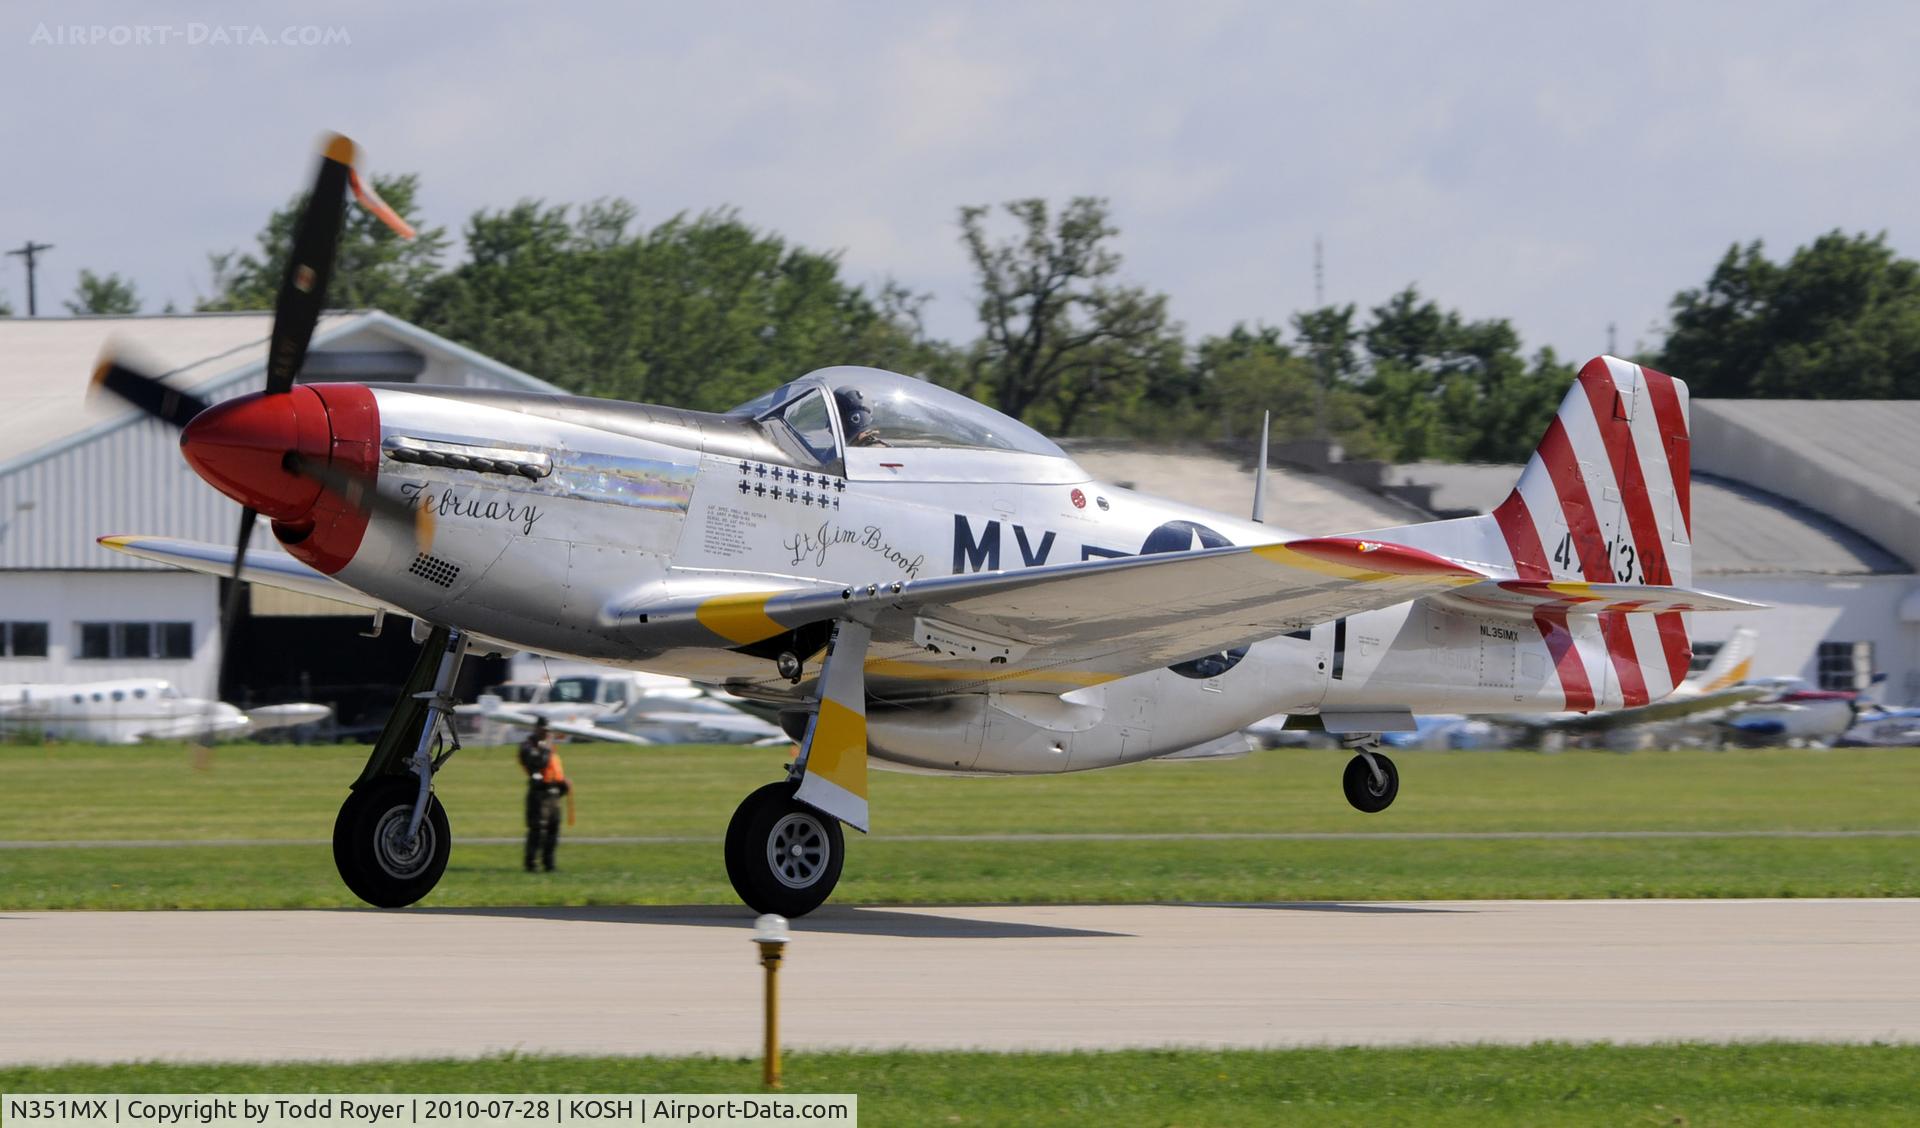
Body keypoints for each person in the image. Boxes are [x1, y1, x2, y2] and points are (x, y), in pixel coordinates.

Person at [517, 719, 571, 873]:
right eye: (543, 729)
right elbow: (538, 763)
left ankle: (549, 864)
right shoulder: (528, 746)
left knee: (553, 830)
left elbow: (553, 770)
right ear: (536, 728)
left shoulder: (549, 748)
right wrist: (546, 748)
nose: (546, 733)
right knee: (538, 830)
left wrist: (562, 784)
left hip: (553, 794)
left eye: (548, 730)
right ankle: (531, 864)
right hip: (539, 794)